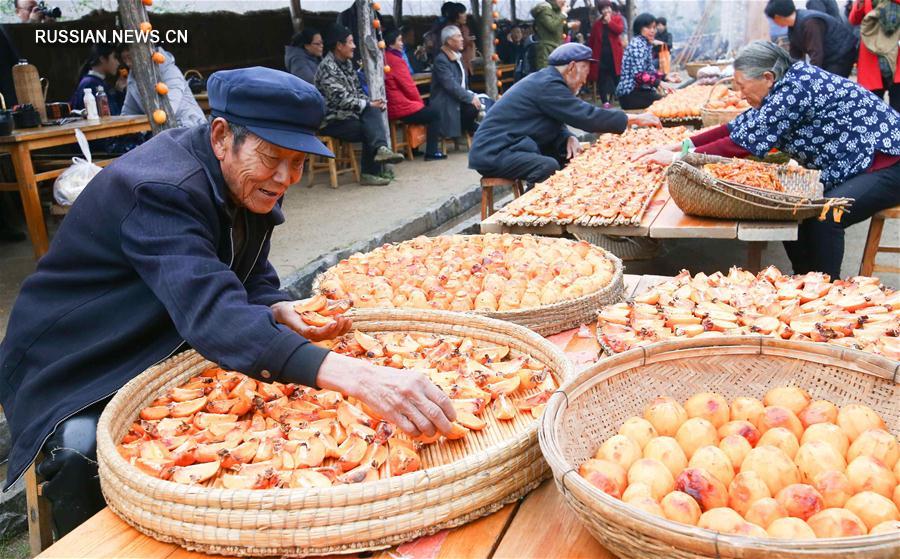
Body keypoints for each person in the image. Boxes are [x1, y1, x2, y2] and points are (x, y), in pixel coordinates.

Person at [0, 67, 458, 538]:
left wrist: (277, 306)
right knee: (84, 450)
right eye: (271, 158)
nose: (284, 178)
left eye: (298, 162)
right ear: (222, 136)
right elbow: (213, 312)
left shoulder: (245, 182)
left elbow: (249, 271)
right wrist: (359, 377)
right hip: (77, 360)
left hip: (162, 335)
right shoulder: (161, 189)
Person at [635, 41, 900, 279]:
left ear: (767, 77)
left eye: (741, 86)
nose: (738, 94)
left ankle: (827, 291)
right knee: (793, 206)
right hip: (853, 163)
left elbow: (744, 142)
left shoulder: (795, 88)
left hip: (886, 161)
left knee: (827, 215)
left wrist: (678, 158)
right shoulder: (781, 86)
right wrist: (682, 145)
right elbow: (738, 127)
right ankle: (804, 279)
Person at [469, 43, 661, 185]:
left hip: (513, 145)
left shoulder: (549, 82)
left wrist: (568, 136)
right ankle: (525, 218)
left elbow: (554, 118)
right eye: (585, 70)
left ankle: (560, 207)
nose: (586, 79)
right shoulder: (547, 84)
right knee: (547, 166)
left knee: (568, 157)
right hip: (494, 151)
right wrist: (634, 118)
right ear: (571, 67)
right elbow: (587, 116)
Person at [314, 24, 404, 186]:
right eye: (350, 42)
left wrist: (371, 103)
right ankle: (371, 168)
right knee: (369, 126)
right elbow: (340, 100)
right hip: (331, 120)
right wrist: (368, 104)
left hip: (349, 116)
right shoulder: (328, 68)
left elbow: (357, 91)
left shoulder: (347, 64)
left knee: (372, 114)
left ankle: (379, 154)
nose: (354, 46)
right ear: (339, 46)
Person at [383, 28, 444, 160]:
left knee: (423, 112)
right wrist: (420, 103)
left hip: (392, 105)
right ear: (390, 44)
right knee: (434, 114)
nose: (402, 43)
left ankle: (413, 149)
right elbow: (409, 87)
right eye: (399, 40)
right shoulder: (396, 60)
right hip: (399, 107)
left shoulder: (384, 58)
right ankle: (432, 152)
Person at [764, 0, 858, 77]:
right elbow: (795, 55)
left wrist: (810, 77)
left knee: (829, 87)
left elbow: (816, 54)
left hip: (841, 55)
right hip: (829, 57)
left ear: (777, 17)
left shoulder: (810, 22)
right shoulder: (792, 28)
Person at [120, 46, 205, 129]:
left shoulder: (170, 71)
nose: (127, 62)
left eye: (130, 56)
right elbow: (128, 112)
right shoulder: (134, 78)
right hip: (163, 133)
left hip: (190, 128)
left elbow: (167, 111)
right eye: (124, 57)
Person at [431, 25, 481, 149]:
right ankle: (467, 129)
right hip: (446, 102)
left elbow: (463, 84)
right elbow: (451, 85)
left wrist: (472, 96)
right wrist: (470, 97)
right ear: (449, 41)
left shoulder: (457, 56)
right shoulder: (441, 60)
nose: (462, 39)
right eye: (458, 36)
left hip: (457, 99)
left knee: (479, 103)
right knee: (472, 107)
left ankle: (469, 128)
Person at [615, 13, 676, 110]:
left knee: (669, 100)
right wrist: (659, 83)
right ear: (639, 28)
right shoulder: (637, 44)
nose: (652, 31)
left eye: (654, 27)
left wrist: (665, 76)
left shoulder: (645, 44)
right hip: (631, 94)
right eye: (648, 27)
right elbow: (639, 75)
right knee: (666, 104)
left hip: (640, 91)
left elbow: (650, 70)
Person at [848, 0, 900, 111]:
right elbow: (853, 19)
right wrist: (860, 4)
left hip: (896, 53)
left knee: (897, 106)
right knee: (873, 107)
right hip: (872, 54)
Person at [69, 43, 126, 114]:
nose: (118, 63)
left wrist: (119, 91)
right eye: (114, 57)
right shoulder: (90, 84)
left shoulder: (99, 82)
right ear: (102, 59)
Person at [588, 1, 625, 107]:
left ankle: (619, 98)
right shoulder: (597, 24)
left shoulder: (617, 18)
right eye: (603, 9)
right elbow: (592, 40)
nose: (606, 10)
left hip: (614, 56)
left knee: (616, 78)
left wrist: (609, 22)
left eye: (608, 8)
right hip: (601, 56)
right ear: (601, 11)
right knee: (602, 79)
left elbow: (619, 30)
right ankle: (605, 102)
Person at [531, 0, 569, 69]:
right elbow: (552, 26)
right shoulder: (545, 10)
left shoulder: (556, 11)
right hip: (546, 50)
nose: (564, 1)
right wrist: (563, 14)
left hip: (556, 48)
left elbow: (562, 29)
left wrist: (568, 25)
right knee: (545, 76)